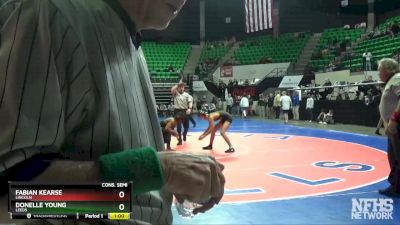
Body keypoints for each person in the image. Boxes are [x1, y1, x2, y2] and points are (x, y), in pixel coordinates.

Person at [0, 0, 225, 224]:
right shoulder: (51, 14)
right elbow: (15, 200)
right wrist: (158, 171)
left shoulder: (130, 42)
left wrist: (156, 183)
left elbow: (108, 196)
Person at [377, 58, 400, 197]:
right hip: (392, 127)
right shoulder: (391, 81)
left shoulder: (397, 78)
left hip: (396, 125)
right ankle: (396, 186)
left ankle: (396, 186)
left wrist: (394, 120)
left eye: (380, 69)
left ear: (388, 70)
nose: (378, 73)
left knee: (397, 156)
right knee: (394, 156)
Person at [171, 80, 193, 145]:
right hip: (177, 111)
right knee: (179, 126)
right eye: (180, 87)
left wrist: (189, 108)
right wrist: (178, 84)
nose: (181, 88)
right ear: (178, 88)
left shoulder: (187, 95)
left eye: (182, 87)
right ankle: (179, 139)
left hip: (185, 111)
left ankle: (184, 134)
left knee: (187, 126)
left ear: (184, 88)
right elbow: (172, 89)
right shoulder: (175, 94)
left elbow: (190, 102)